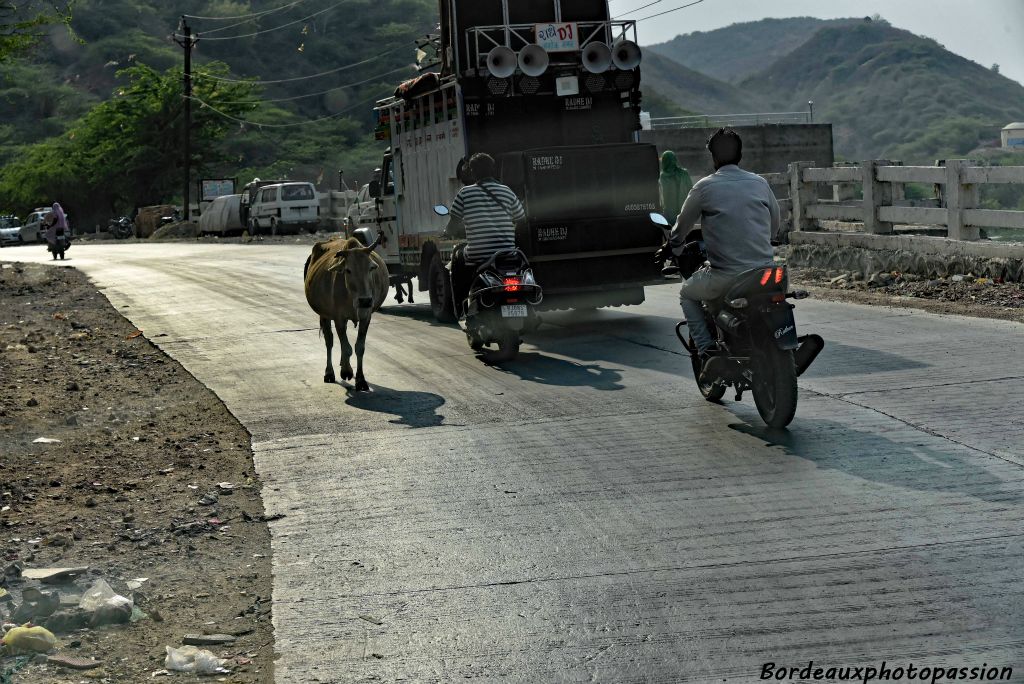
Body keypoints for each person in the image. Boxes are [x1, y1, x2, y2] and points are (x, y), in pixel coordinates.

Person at [669, 129, 779, 368]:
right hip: (765, 271)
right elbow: (775, 221)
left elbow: (682, 227)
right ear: (740, 153)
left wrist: (674, 244)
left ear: (713, 157)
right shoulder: (759, 183)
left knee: (687, 293)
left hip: (726, 274)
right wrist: (767, 239)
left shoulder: (705, 187)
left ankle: (706, 349)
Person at [447, 153, 526, 316]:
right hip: (507, 252)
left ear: (473, 172)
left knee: (457, 258)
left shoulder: (465, 193)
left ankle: (461, 309)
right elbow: (521, 219)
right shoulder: (507, 191)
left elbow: (453, 222)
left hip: (478, 253)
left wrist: (447, 232)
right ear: (492, 170)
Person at [658, 150, 693, 220]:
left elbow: (691, 190)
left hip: (678, 211)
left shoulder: (662, 177)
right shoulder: (661, 177)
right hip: (676, 212)